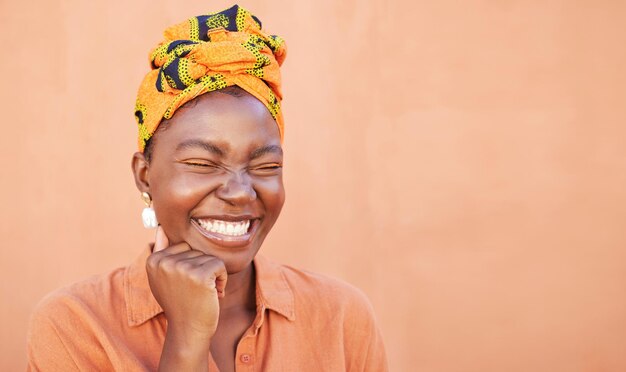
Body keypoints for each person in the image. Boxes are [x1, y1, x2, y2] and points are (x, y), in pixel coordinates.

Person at [26, 5, 388, 371]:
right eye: (202, 164)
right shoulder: (75, 324)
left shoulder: (341, 317)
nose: (241, 192)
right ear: (144, 175)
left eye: (266, 166)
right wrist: (187, 337)